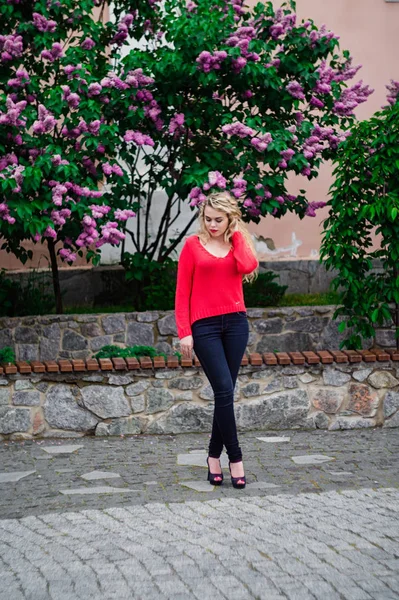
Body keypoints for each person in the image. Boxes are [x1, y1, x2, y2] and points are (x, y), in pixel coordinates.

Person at [174, 191, 259, 489]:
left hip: (236, 323)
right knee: (223, 389)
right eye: (207, 219)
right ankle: (235, 458)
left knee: (226, 393)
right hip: (204, 327)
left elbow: (249, 266)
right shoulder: (192, 246)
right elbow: (182, 292)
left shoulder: (237, 244)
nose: (212, 224)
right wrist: (184, 331)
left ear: (229, 219)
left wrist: (236, 236)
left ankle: (212, 456)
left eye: (218, 220)